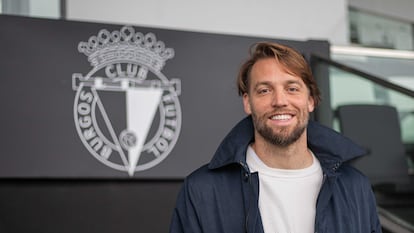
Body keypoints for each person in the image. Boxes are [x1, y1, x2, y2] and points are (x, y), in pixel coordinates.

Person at [169, 42, 382, 233]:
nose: (280, 100)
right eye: (264, 90)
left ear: (311, 100)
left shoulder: (355, 187)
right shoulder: (202, 190)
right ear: (247, 102)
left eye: (292, 88)